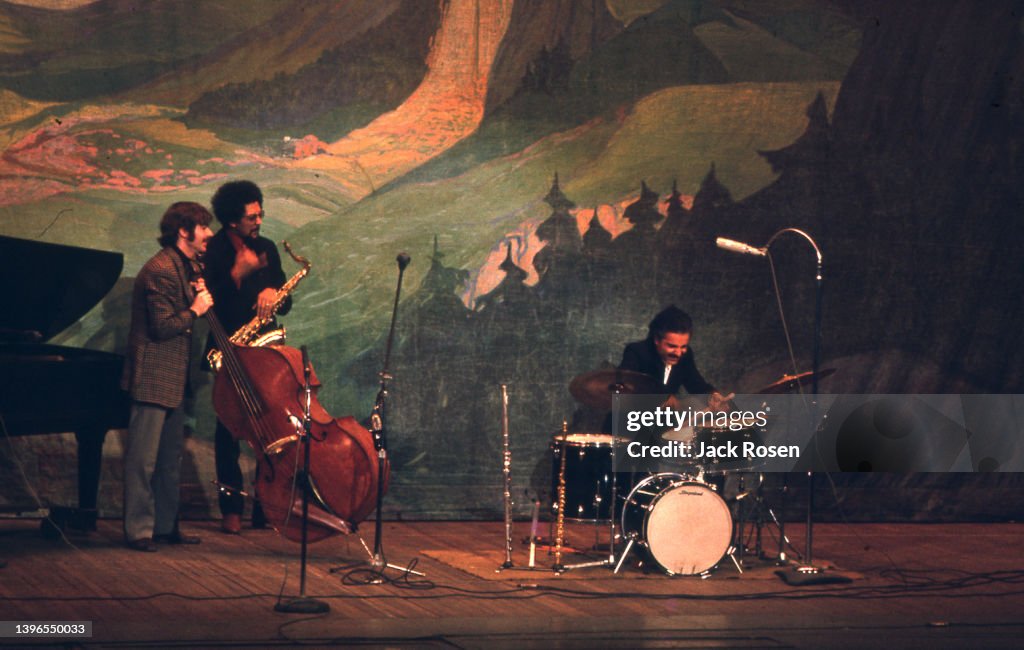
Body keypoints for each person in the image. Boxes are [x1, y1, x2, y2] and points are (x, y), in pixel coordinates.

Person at [121, 202, 214, 552]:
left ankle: (164, 525)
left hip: (173, 377)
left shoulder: (187, 266)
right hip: (155, 376)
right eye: (204, 227)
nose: (209, 233)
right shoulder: (161, 269)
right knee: (143, 460)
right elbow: (162, 327)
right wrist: (195, 309)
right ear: (184, 231)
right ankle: (139, 531)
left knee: (168, 459)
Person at [203, 180, 290, 534]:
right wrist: (238, 274)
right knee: (228, 428)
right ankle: (232, 510)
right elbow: (206, 300)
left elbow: (288, 299)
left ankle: (265, 509)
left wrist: (273, 292)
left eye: (260, 214)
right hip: (227, 345)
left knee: (268, 428)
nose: (259, 221)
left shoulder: (267, 247)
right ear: (232, 221)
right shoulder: (213, 250)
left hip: (264, 349)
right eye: (252, 216)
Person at [619, 305, 730, 410]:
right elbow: (627, 385)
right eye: (672, 346)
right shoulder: (636, 351)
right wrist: (663, 397)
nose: (678, 353)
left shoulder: (685, 355)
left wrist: (713, 396)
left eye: (683, 346)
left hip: (660, 424)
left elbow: (696, 384)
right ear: (657, 340)